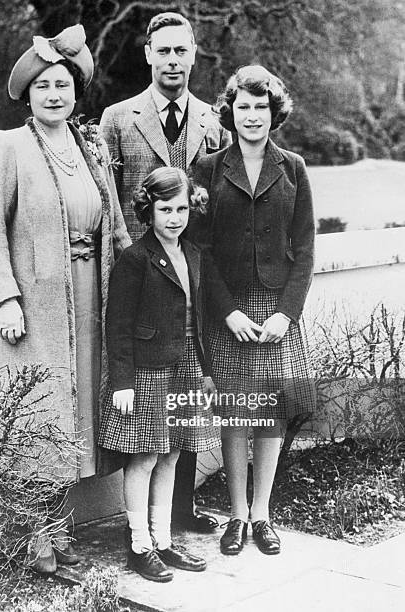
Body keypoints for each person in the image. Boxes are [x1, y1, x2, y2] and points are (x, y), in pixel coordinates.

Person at [0, 25, 131, 574]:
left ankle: (59, 530)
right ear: (27, 94)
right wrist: (5, 299)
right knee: (40, 415)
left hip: (93, 299)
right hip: (38, 307)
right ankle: (36, 540)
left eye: (61, 83)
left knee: (80, 410)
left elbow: (115, 229)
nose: (53, 94)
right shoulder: (8, 146)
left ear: (75, 89)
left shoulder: (90, 146)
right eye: (42, 86)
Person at [100, 10, 231, 533]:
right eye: (164, 51)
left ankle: (180, 511)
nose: (173, 60)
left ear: (194, 55)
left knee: (183, 399)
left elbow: (217, 204)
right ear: (149, 54)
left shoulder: (211, 122)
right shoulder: (117, 118)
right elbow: (108, 202)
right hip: (139, 271)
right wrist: (123, 255)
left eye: (182, 51)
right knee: (148, 406)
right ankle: (142, 524)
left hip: (192, 275)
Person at [190, 65, 316, 556]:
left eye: (261, 107)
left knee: (270, 413)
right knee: (236, 412)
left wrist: (287, 312)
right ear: (230, 111)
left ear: (274, 112)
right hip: (229, 310)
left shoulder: (294, 167)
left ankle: (263, 513)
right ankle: (237, 516)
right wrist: (226, 312)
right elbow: (198, 250)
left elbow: (304, 248)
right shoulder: (208, 169)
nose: (252, 115)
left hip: (276, 309)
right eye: (243, 106)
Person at [98, 167, 221, 582]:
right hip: (148, 371)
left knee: (172, 453)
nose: (174, 217)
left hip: (186, 364)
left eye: (182, 208)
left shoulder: (195, 254)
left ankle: (163, 541)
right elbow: (117, 325)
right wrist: (123, 381)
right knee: (146, 456)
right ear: (148, 211)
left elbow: (198, 320)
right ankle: (138, 545)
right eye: (165, 209)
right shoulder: (135, 259)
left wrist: (205, 371)